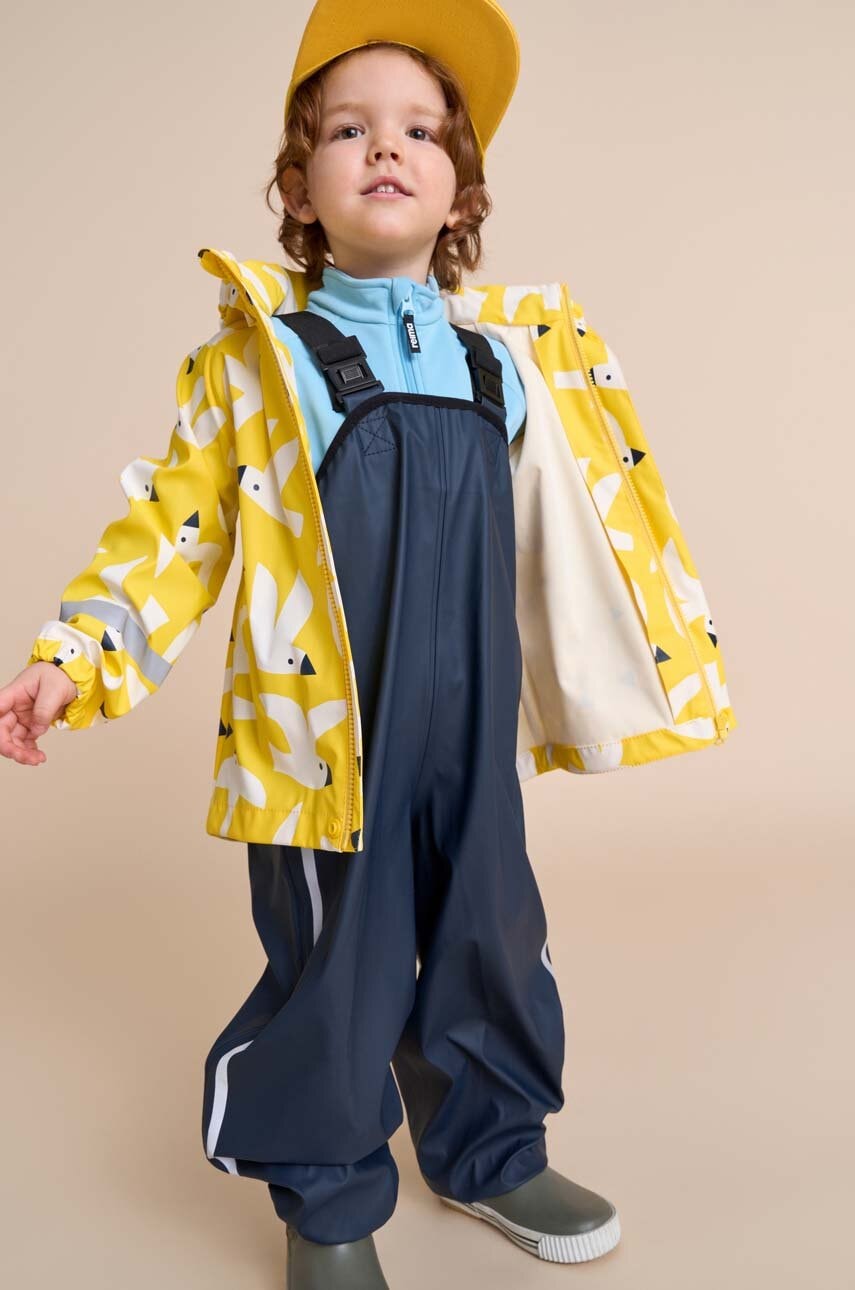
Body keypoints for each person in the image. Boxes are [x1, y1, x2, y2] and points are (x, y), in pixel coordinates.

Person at [1, 1, 737, 1285]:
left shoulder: (512, 364)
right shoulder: (261, 364)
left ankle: (492, 1149)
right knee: (337, 964)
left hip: (474, 729)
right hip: (327, 741)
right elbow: (172, 530)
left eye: (420, 131)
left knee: (493, 932)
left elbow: (591, 530)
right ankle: (330, 1203)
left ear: (461, 196)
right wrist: (78, 655)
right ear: (300, 188)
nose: (386, 147)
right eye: (349, 130)